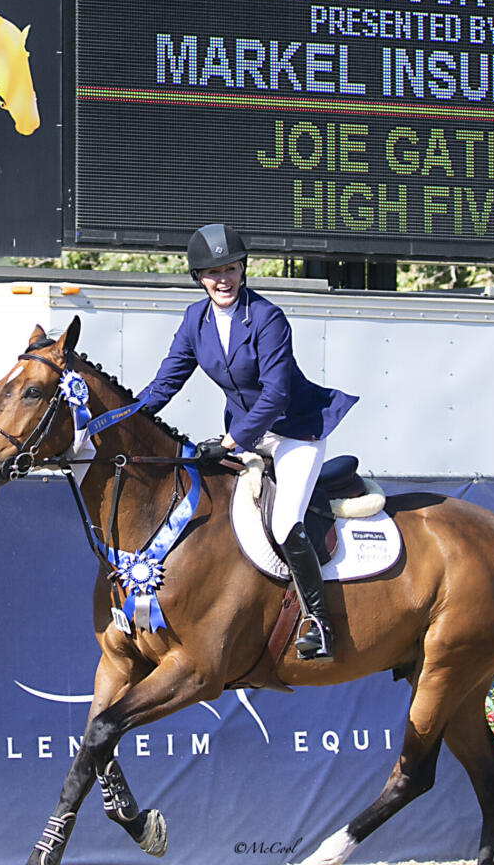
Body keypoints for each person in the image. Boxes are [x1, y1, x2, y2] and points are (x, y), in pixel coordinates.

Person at [137, 223, 358, 661]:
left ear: (243, 270)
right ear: (198, 278)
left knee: (282, 523)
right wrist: (121, 417)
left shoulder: (266, 318)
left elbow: (276, 395)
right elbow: (164, 385)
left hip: (295, 432)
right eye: (213, 272)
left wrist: (233, 440)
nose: (223, 279)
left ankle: (319, 623)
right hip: (247, 435)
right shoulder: (194, 320)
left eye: (231, 269)